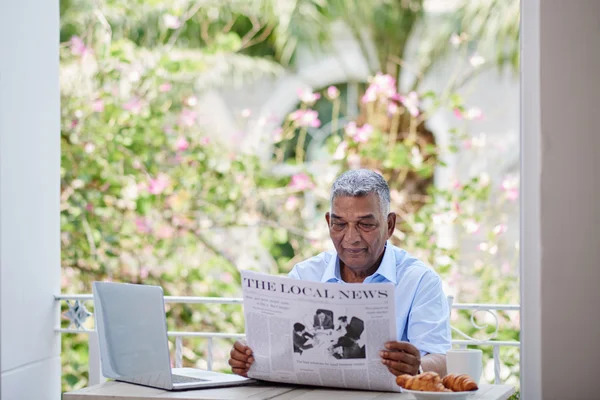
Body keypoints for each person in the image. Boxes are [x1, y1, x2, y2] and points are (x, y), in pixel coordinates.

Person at [229, 169, 451, 377]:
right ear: (328, 222)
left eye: (365, 225)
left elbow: (440, 359)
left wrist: (418, 366)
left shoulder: (419, 281)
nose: (351, 238)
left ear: (390, 225)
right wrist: (249, 358)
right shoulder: (305, 275)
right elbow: (281, 350)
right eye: (340, 224)